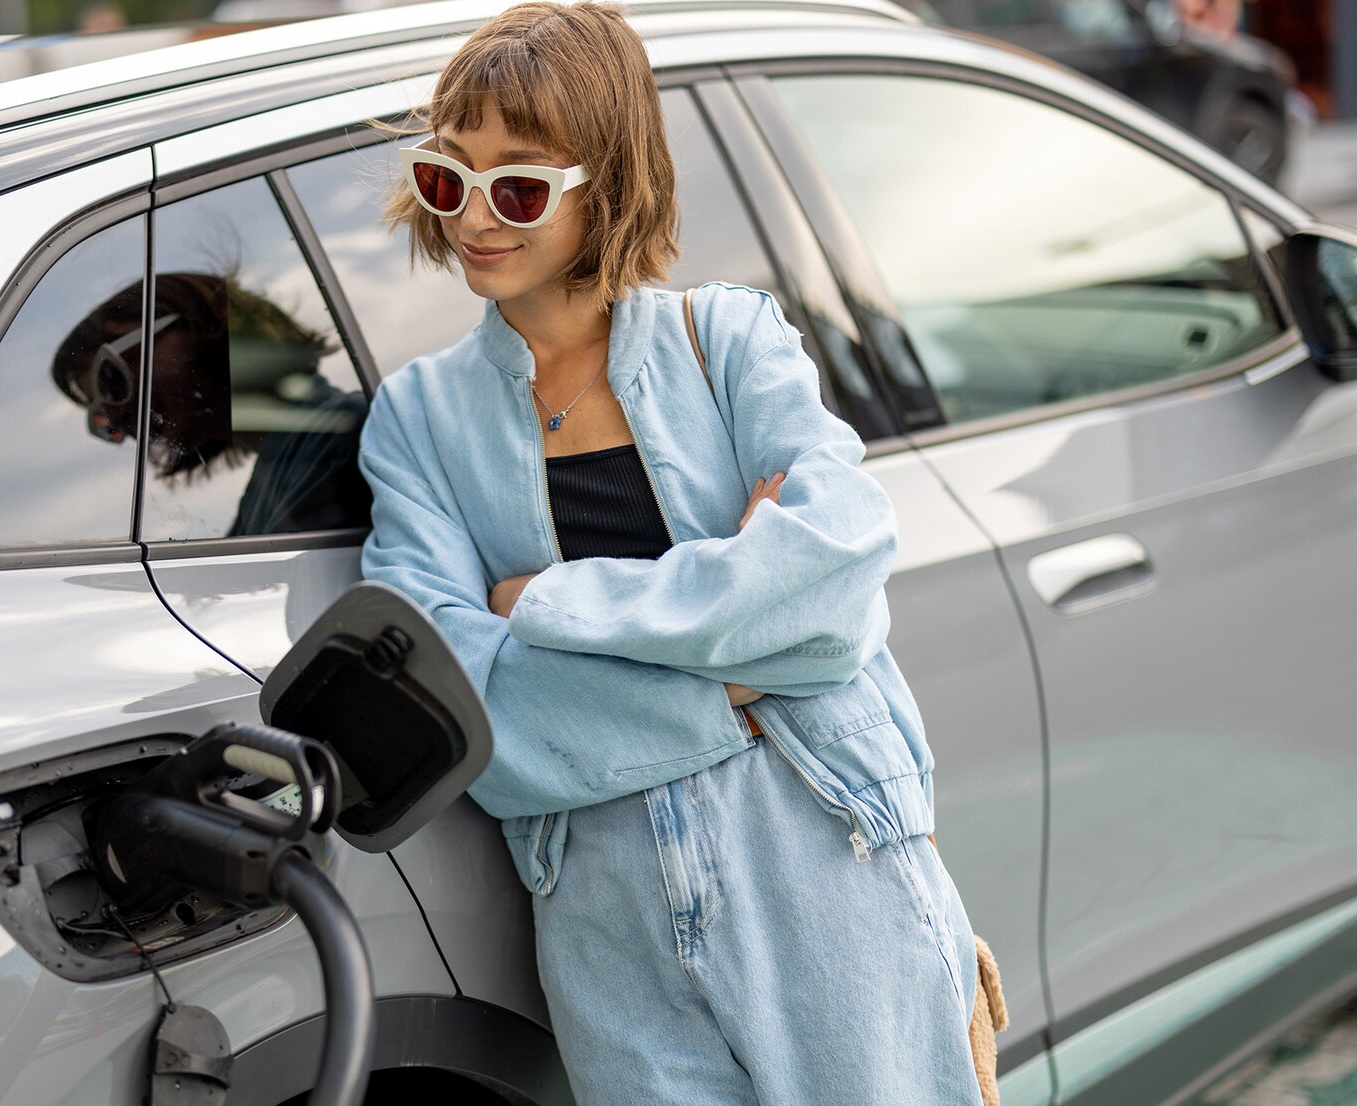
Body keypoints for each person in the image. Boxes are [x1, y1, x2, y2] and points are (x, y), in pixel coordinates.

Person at [355, 3, 984, 1102]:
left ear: (606, 182)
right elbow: (450, 701)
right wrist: (727, 681)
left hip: (820, 851)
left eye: (517, 187)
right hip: (604, 915)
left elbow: (830, 584)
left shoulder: (729, 340)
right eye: (448, 177)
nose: (471, 220)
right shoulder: (416, 420)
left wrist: (541, 602)